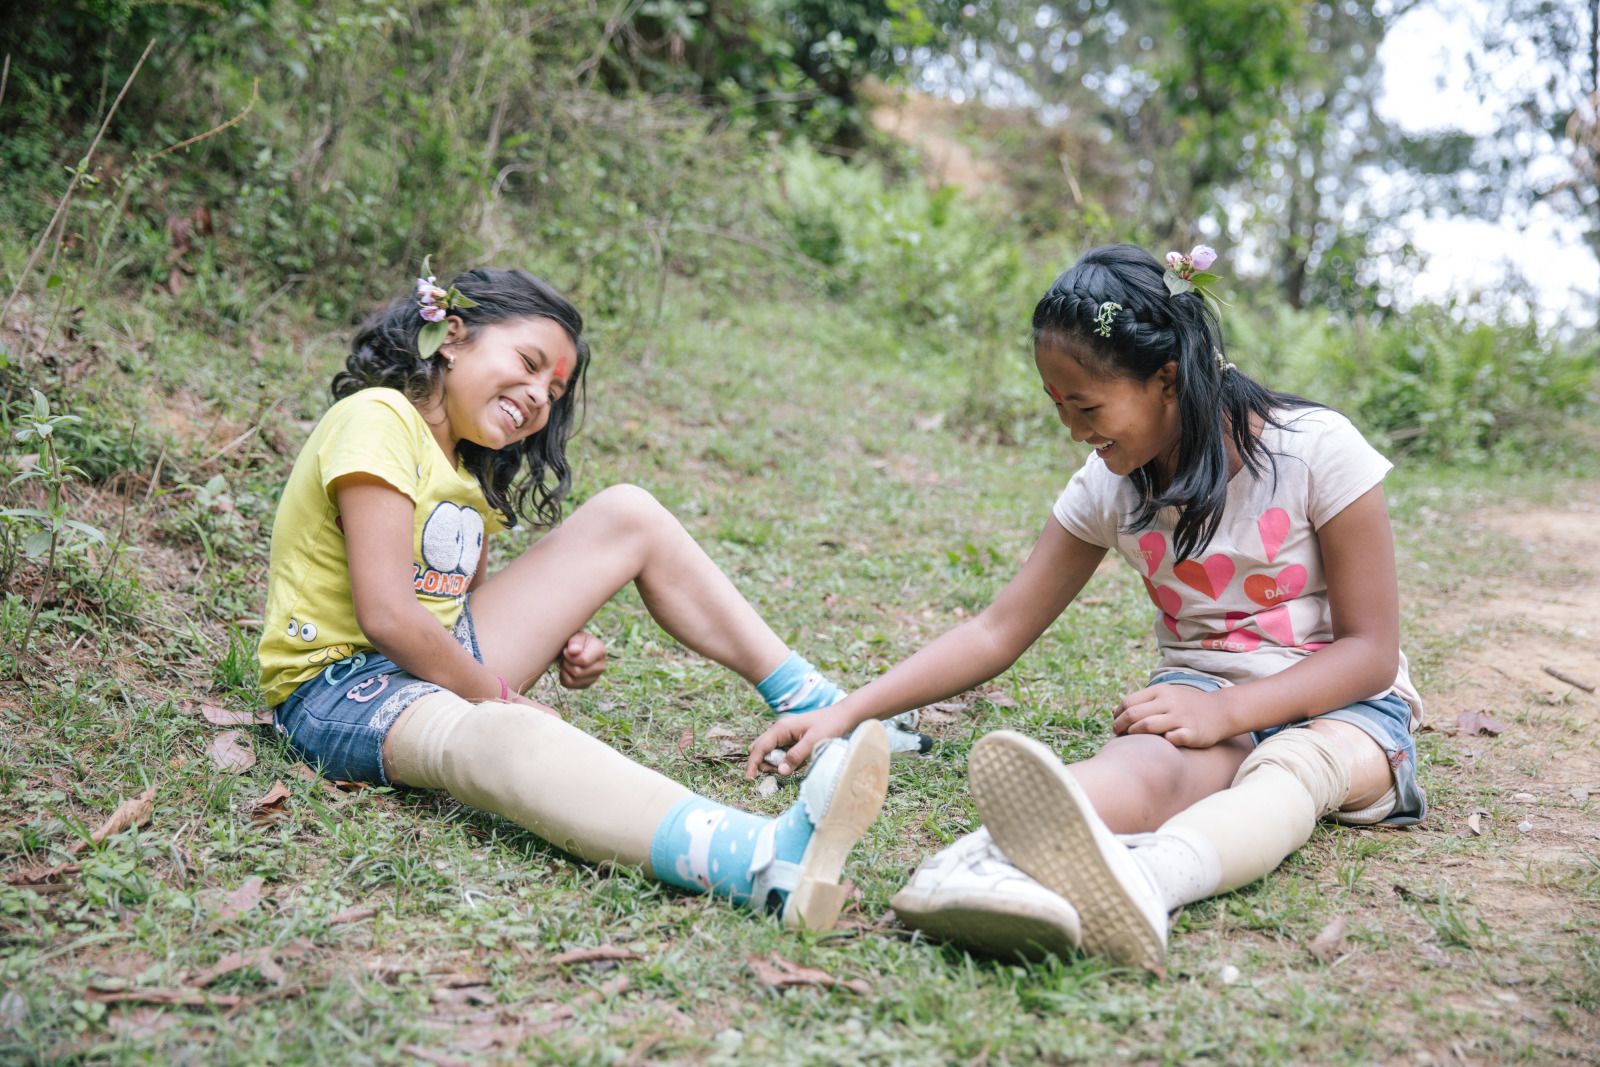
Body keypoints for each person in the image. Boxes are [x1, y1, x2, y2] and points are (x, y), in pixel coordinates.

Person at [746, 243, 1426, 969]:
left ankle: (1149, 882)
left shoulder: (1316, 450)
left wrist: (1229, 714)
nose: (1074, 428)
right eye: (1058, 405)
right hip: (1200, 697)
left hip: (1348, 710)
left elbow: (1369, 650)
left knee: (1292, 769)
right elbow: (997, 628)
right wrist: (846, 711)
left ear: (1166, 378)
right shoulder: (1109, 485)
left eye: (1088, 405)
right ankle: (973, 866)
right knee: (1139, 768)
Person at [258, 264, 892, 931]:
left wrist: (556, 637)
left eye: (553, 391)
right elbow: (387, 612)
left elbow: (449, 605)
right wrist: (497, 696)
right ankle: (760, 858)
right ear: (451, 335)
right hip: (336, 689)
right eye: (529, 364)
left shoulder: (465, 465)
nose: (538, 397)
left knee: (629, 512)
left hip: (426, 663)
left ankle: (821, 708)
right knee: (499, 732)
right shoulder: (378, 419)